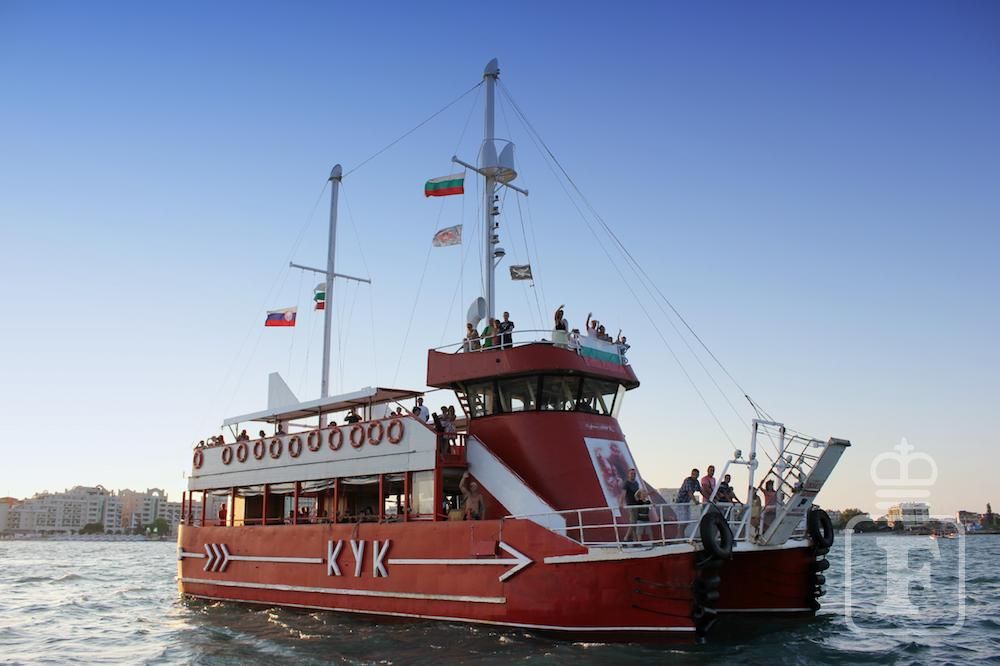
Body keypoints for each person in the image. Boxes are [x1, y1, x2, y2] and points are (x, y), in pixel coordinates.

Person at [676, 468, 702, 537]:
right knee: (683, 522)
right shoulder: (687, 481)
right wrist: (695, 501)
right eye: (693, 474)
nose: (695, 476)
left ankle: (681, 537)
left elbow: (701, 490)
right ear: (691, 474)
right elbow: (689, 492)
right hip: (681, 503)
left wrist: (709, 499)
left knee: (687, 521)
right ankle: (680, 538)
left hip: (686, 503)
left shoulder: (696, 482)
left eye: (696, 475)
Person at [621, 468, 641, 541]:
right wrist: (621, 504)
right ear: (628, 474)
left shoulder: (636, 483)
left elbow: (638, 494)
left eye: (634, 474)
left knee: (635, 523)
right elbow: (623, 494)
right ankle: (626, 538)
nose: (633, 475)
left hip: (637, 504)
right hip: (631, 505)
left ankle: (635, 540)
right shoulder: (626, 483)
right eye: (631, 473)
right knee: (633, 522)